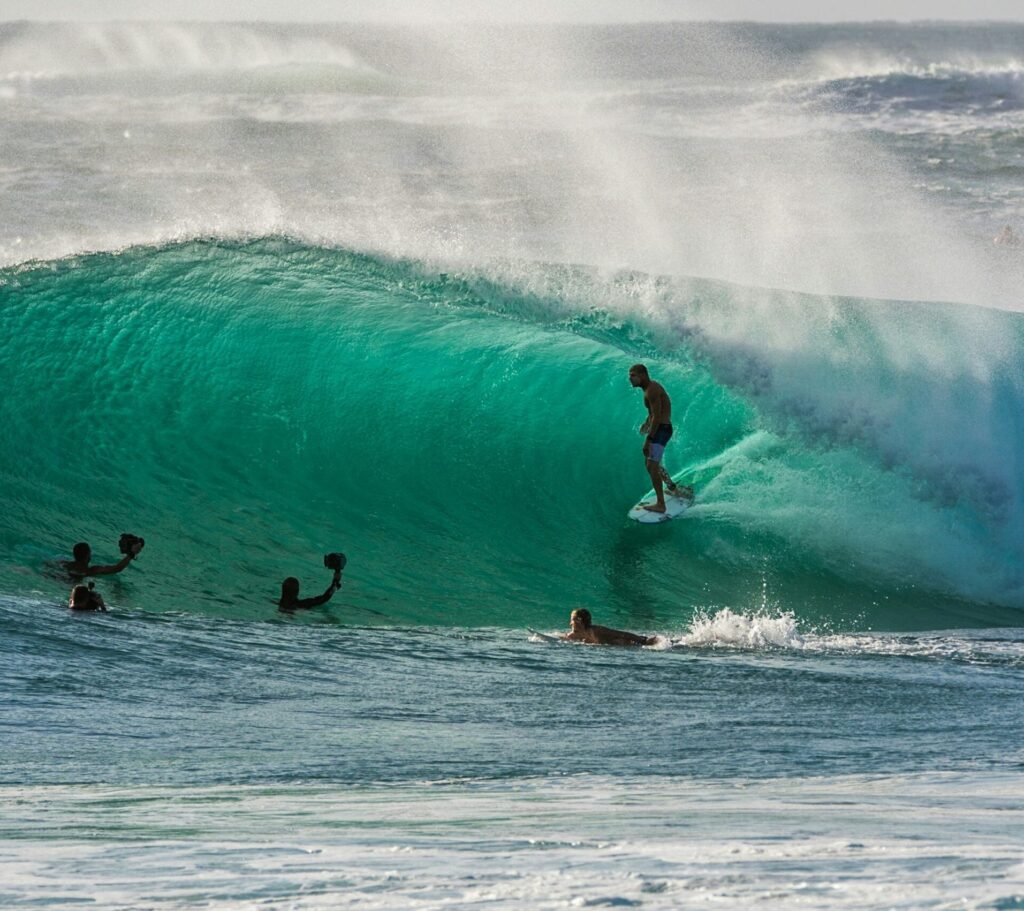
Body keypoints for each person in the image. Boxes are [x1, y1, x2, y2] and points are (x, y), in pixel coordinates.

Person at [628, 363, 693, 513]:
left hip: (661, 430)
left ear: (642, 375)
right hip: (659, 428)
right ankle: (671, 487)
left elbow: (657, 416)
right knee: (650, 464)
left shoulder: (652, 390)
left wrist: (648, 439)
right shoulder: (648, 389)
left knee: (652, 466)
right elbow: (653, 412)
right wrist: (646, 423)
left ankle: (661, 505)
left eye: (633, 376)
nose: (630, 379)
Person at [563, 608, 656, 647]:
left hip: (635, 644)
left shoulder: (596, 631)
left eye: (572, 620)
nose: (570, 623)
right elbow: (561, 638)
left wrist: (643, 641)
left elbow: (622, 634)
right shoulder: (575, 635)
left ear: (580, 621)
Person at [278, 557, 344, 612]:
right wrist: (334, 583)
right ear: (297, 592)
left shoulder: (279, 604)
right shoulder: (300, 605)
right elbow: (323, 599)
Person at [62, 537, 142, 578]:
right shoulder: (92, 570)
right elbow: (117, 568)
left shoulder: (66, 564)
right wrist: (132, 554)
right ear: (88, 556)